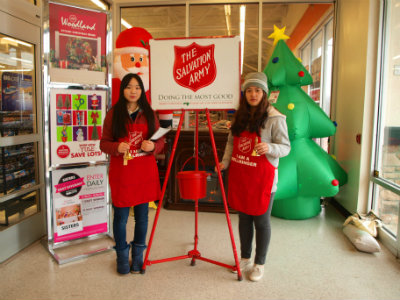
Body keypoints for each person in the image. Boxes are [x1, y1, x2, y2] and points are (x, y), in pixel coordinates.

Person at [216, 72, 290, 282]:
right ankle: (245, 258)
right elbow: (232, 143)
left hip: (263, 179)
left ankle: (259, 263)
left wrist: (270, 147)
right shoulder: (239, 116)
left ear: (264, 93)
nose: (253, 94)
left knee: (262, 220)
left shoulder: (275, 118)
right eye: (249, 90)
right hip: (242, 175)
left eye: (257, 90)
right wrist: (225, 162)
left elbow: (286, 148)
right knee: (244, 219)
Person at [100, 73, 164, 275]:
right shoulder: (113, 114)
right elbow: (103, 143)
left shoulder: (150, 113)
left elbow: (161, 141)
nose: (133, 91)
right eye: (129, 87)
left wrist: (153, 145)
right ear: (123, 90)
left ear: (142, 90)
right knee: (120, 216)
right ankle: (121, 256)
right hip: (122, 173)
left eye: (137, 87)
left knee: (142, 217)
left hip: (144, 172)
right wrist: (116, 147)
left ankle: (137, 256)